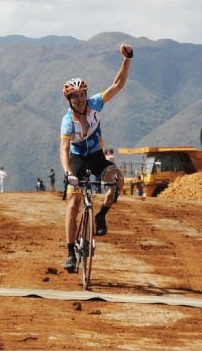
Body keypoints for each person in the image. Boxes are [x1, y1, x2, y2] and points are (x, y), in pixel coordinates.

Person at [60, 43, 132, 272]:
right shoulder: (67, 121)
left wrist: (127, 59)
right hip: (78, 159)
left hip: (97, 156)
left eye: (82, 95)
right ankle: (71, 252)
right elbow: (63, 149)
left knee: (118, 181)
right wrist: (68, 173)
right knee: (73, 204)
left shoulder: (95, 104)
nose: (80, 100)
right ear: (69, 100)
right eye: (75, 97)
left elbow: (118, 85)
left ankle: (101, 215)